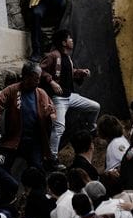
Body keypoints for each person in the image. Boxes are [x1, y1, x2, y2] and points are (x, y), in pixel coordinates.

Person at [40, 29, 101, 159]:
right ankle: (52, 158)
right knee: (59, 127)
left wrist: (80, 72)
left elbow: (69, 72)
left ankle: (91, 128)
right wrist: (51, 82)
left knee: (95, 107)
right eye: (70, 38)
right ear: (63, 42)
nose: (72, 40)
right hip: (59, 99)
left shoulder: (67, 56)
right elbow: (40, 70)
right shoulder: (53, 56)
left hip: (70, 96)